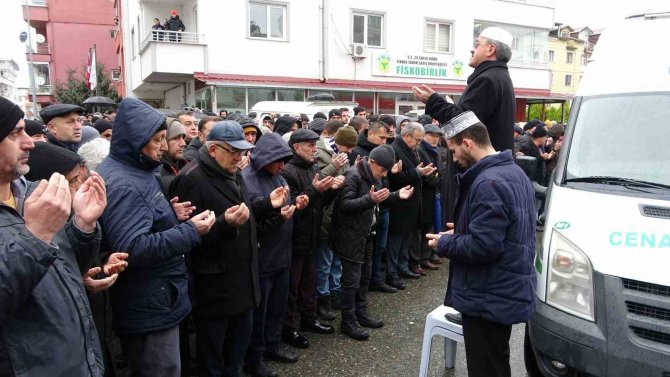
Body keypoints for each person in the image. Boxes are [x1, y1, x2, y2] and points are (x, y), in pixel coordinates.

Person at [97, 98, 216, 377]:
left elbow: (139, 220)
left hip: (158, 296)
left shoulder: (136, 169)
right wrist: (190, 231)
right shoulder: (124, 183)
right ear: (136, 140)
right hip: (149, 303)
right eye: (159, 140)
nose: (164, 147)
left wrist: (168, 213)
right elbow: (132, 247)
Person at [0, 96, 108, 376]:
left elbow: (64, 266)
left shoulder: (34, 192)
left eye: (25, 130)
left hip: (78, 358)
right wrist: (35, 236)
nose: (30, 142)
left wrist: (83, 227)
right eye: (14, 134)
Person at [171, 120, 287, 377]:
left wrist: (268, 203)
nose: (240, 157)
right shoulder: (191, 179)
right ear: (213, 150)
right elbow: (187, 238)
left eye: (243, 150)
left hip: (243, 283)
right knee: (212, 359)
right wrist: (224, 224)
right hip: (214, 290)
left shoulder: (231, 171)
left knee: (236, 355)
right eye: (233, 150)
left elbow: (245, 212)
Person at [426, 111, 536, 377]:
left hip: (488, 293)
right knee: (496, 361)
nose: (453, 159)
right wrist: (464, 228)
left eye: (453, 150)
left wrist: (446, 243)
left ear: (467, 143)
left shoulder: (489, 182)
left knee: (486, 368)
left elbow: (484, 246)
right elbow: (506, 227)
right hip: (501, 290)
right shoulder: (512, 172)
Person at [241, 132, 309, 377]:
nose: (282, 166)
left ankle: (272, 346)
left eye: (285, 160)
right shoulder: (247, 181)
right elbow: (251, 226)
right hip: (262, 260)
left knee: (277, 309)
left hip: (282, 256)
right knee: (259, 314)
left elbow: (284, 212)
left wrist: (296, 207)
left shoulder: (279, 177)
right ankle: (254, 358)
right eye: (277, 160)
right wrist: (279, 217)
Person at [331, 144, 414, 341]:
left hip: (367, 234)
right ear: (372, 162)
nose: (384, 174)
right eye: (382, 170)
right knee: (351, 282)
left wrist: (395, 195)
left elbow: (379, 199)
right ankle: (348, 322)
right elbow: (344, 205)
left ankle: (361, 314)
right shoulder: (354, 175)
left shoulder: (374, 175)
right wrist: (370, 199)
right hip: (350, 236)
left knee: (364, 278)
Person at [281, 129, 344, 349]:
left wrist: (331, 190)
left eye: (315, 144)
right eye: (310, 145)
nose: (314, 149)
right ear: (297, 147)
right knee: (292, 286)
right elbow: (296, 205)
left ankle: (309, 318)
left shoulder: (313, 167)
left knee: (309, 282)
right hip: (295, 239)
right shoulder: (288, 171)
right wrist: (316, 190)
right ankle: (289, 328)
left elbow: (318, 200)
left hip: (312, 236)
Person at [413, 26, 515, 152]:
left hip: (480, 166)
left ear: (491, 49)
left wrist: (434, 102)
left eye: (477, 44)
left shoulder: (488, 79)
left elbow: (464, 123)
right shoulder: (499, 76)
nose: (472, 50)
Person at [313, 124, 357, 320]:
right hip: (324, 214)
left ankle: (335, 292)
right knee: (324, 262)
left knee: (336, 260)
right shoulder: (321, 153)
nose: (349, 152)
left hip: (339, 214)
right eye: (347, 147)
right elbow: (317, 182)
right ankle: (323, 298)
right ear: (339, 143)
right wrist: (335, 167)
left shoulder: (345, 153)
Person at [386, 122, 435, 289]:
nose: (419, 143)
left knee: (407, 238)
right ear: (406, 136)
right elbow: (394, 178)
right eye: (417, 139)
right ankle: (392, 273)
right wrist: (417, 173)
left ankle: (403, 267)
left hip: (412, 203)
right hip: (399, 203)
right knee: (395, 240)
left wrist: (422, 172)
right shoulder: (394, 149)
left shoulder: (413, 150)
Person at [418, 124, 445, 270]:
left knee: (434, 224)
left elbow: (439, 170)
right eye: (432, 135)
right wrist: (437, 180)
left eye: (437, 136)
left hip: (435, 191)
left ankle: (428, 255)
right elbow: (427, 174)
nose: (435, 139)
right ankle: (423, 258)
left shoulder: (435, 150)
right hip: (427, 192)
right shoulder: (422, 150)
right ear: (424, 135)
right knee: (426, 227)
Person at [159, 117, 187, 192]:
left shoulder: (185, 166)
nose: (183, 143)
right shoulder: (157, 175)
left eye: (182, 137)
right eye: (175, 138)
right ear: (163, 141)